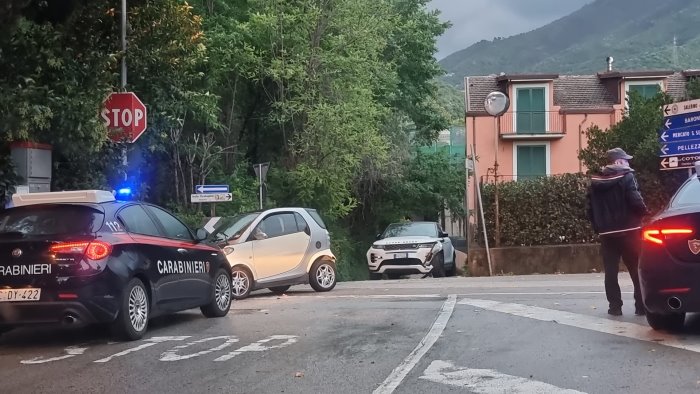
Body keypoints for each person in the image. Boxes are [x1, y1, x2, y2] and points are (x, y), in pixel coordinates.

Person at [587, 147, 648, 316]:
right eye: (626, 160)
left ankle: (614, 307)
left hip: (607, 234)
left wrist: (598, 227)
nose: (628, 163)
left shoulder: (595, 182)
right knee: (636, 269)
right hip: (630, 231)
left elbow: (590, 210)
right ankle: (641, 306)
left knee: (611, 272)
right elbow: (636, 200)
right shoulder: (628, 177)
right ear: (618, 162)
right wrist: (645, 214)